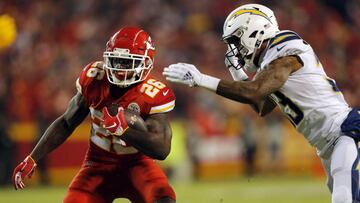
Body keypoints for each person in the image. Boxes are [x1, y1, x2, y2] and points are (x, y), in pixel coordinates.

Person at [163, 4, 360, 203]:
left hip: (344, 131)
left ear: (254, 30)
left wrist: (200, 79)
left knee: (344, 199)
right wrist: (239, 74)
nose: (235, 50)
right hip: (327, 142)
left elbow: (254, 92)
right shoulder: (270, 61)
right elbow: (262, 107)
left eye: (236, 41)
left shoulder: (285, 50)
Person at [13, 26, 176, 203]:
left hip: (138, 164)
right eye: (116, 61)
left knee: (163, 199)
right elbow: (66, 123)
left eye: (127, 62)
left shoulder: (152, 93)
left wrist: (125, 131)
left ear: (146, 62)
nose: (120, 69)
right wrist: (33, 157)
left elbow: (161, 150)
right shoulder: (95, 79)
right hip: (98, 164)